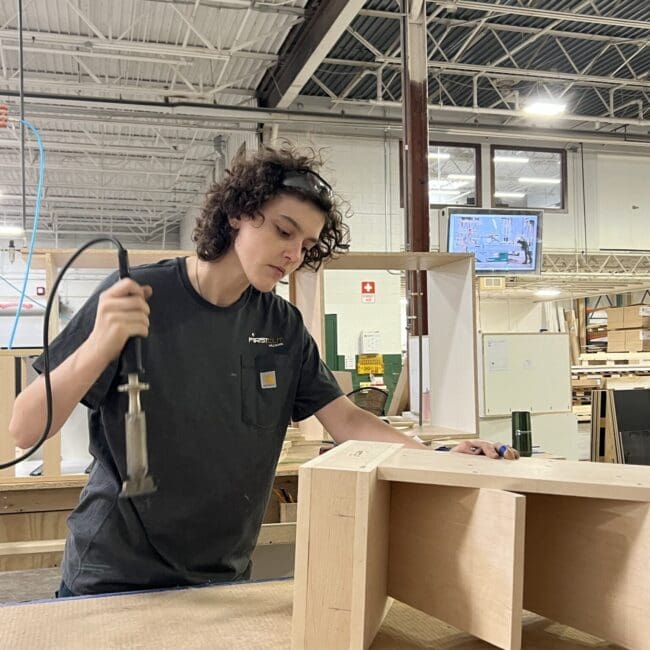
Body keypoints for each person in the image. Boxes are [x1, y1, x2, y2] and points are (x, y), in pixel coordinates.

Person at [9, 145, 517, 598]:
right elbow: (24, 428)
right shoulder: (136, 294)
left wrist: (442, 458)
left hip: (220, 577)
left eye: (307, 244)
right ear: (238, 214)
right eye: (283, 230)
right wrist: (99, 344)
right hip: (113, 576)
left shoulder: (281, 323)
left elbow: (350, 422)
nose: (294, 253)